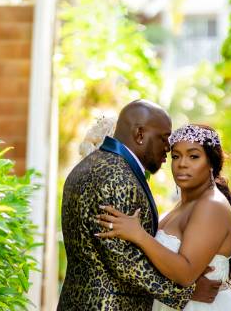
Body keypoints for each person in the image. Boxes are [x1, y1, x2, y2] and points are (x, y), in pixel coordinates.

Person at [57, 101, 222, 310]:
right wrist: (185, 294)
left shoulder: (89, 164)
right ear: (140, 134)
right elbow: (122, 258)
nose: (168, 148)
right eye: (164, 138)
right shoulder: (118, 177)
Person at [96, 124, 231, 310]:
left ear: (211, 163)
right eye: (176, 156)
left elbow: (186, 273)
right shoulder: (185, 204)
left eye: (194, 156)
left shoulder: (212, 205)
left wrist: (139, 235)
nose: (182, 163)